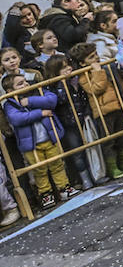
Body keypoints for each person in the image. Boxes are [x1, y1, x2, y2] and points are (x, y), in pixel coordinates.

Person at [2, 73, 74, 209]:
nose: (25, 85)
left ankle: (64, 188)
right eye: (20, 84)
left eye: (25, 81)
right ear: (10, 91)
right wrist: (40, 113)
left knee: (57, 164)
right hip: (31, 145)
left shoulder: (37, 91)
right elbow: (17, 119)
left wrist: (30, 101)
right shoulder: (9, 103)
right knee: (39, 170)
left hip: (49, 137)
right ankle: (46, 194)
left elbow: (52, 101)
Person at [68, 42, 123, 178]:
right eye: (91, 57)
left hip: (117, 105)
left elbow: (119, 85)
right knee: (108, 141)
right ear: (82, 63)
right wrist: (97, 72)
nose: (96, 58)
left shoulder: (105, 67)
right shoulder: (83, 77)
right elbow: (96, 89)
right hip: (103, 111)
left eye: (96, 55)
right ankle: (113, 167)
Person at [42, 55, 94, 190]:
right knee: (77, 152)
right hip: (69, 123)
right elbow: (61, 100)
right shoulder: (53, 87)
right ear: (55, 71)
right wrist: (62, 82)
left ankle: (96, 173)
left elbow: (85, 98)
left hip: (83, 117)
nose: (68, 69)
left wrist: (88, 112)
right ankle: (85, 178)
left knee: (92, 145)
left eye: (68, 65)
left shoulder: (77, 78)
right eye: (63, 67)